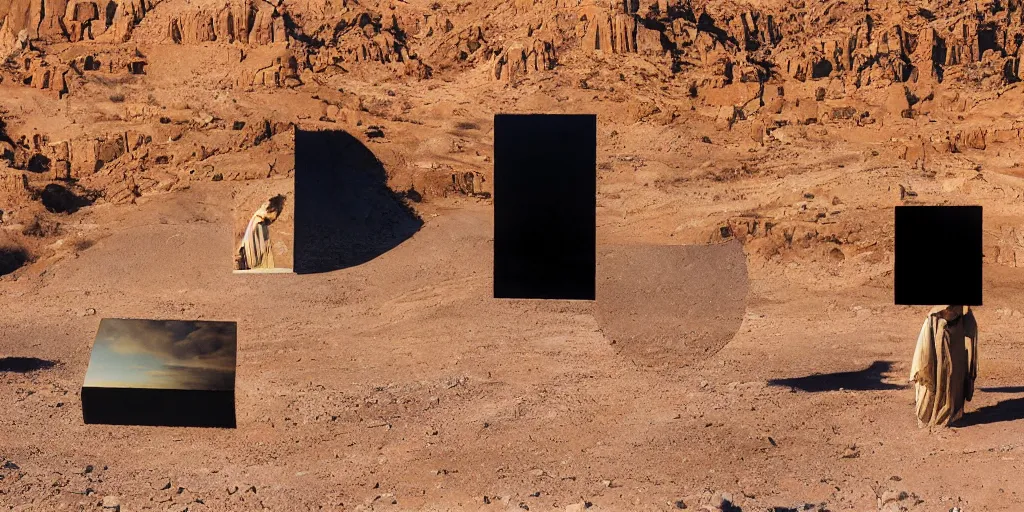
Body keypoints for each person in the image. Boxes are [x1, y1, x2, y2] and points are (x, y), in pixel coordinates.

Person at [909, 305, 978, 427]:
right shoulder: (936, 320)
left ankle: (948, 412)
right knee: (938, 372)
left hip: (954, 325)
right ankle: (933, 414)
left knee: (953, 373)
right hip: (940, 326)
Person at [235, 195, 286, 270]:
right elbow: (253, 260)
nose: (274, 219)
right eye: (276, 213)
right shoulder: (259, 224)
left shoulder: (259, 222)